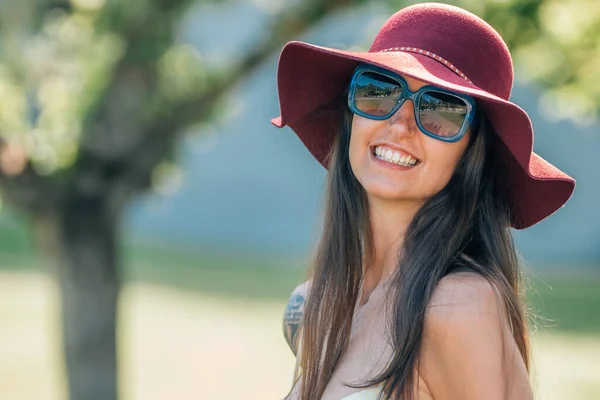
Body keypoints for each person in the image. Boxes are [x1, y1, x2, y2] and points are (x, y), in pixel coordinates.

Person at [271, 3, 575, 400]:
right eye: (378, 90)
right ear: (351, 116)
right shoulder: (313, 306)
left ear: (472, 152)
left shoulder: (457, 306)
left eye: (441, 110)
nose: (400, 124)